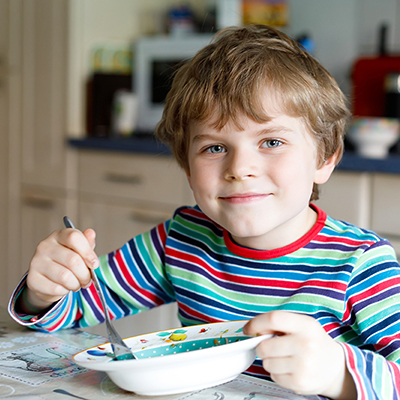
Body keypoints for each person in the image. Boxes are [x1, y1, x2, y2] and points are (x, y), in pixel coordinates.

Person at [8, 24, 400, 399]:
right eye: (214, 147)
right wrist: (44, 291)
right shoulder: (181, 239)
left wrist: (339, 375)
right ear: (187, 167)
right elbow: (73, 312)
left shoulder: (362, 265)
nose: (239, 168)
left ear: (325, 158)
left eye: (271, 141)